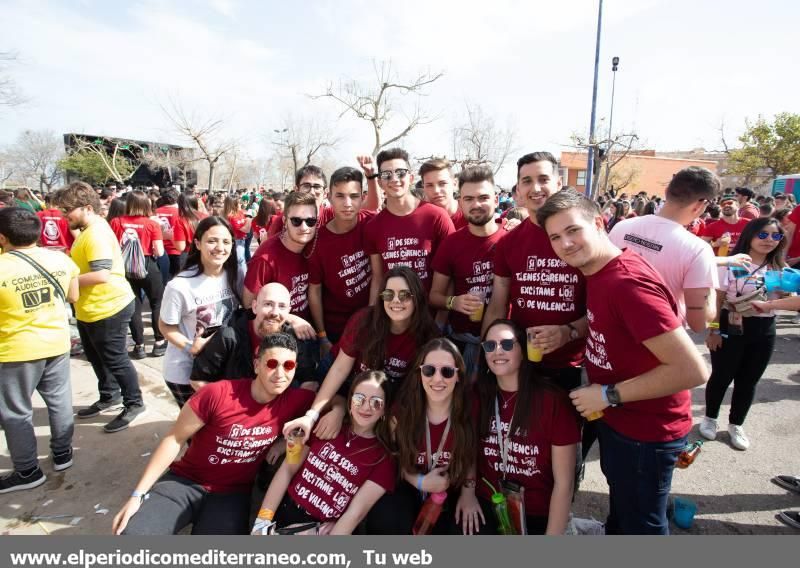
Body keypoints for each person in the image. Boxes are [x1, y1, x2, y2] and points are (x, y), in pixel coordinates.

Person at [538, 190, 709, 535]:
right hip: (624, 422)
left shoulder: (627, 283)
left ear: (599, 223)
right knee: (625, 510)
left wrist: (608, 395)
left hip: (647, 432)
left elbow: (693, 369)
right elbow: (613, 319)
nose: (566, 243)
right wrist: (570, 331)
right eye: (556, 237)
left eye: (573, 230)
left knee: (642, 526)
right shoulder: (602, 270)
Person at [111, 333, 315, 535]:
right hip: (185, 482)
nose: (280, 373)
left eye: (288, 365)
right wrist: (137, 495)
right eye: (272, 364)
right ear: (256, 365)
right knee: (134, 535)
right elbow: (174, 439)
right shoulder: (217, 394)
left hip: (232, 494)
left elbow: (335, 403)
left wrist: (283, 442)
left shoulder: (296, 401)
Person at [283, 266, 440, 444]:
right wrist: (313, 415)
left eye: (404, 295)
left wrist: (393, 416)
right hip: (343, 377)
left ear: (417, 298)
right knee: (315, 417)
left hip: (380, 392)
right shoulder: (365, 320)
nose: (396, 301)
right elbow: (340, 370)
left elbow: (412, 388)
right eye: (388, 294)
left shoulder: (427, 336)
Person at [482, 152, 587, 393]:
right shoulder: (509, 243)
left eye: (543, 179)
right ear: (518, 189)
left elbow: (603, 311)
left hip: (574, 367)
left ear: (559, 184)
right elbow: (497, 305)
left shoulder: (580, 238)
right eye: (527, 181)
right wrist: (485, 354)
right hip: (523, 363)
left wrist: (567, 332)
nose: (535, 188)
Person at [52, 182, 146, 434]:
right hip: (90, 308)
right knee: (96, 357)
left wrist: (63, 279)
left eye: (67, 210)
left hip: (109, 307)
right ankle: (109, 395)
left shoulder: (95, 234)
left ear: (86, 208)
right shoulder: (88, 230)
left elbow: (101, 274)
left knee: (116, 360)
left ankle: (134, 402)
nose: (64, 216)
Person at [253, 370, 396, 535]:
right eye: (359, 399)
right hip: (284, 510)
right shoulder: (324, 423)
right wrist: (261, 523)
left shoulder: (383, 459)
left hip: (322, 530)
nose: (366, 407)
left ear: (385, 409)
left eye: (376, 402)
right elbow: (287, 468)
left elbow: (355, 514)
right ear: (349, 401)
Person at [473, 319, 579, 535]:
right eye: (490, 346)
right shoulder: (477, 396)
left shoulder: (552, 401)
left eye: (508, 345)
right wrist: (466, 494)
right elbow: (466, 454)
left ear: (524, 350)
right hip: (489, 503)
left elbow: (564, 483)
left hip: (537, 512)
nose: (498, 351)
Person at [0, 208, 79, 493]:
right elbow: (73, 296)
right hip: (57, 342)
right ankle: (62, 454)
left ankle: (27, 470)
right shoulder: (59, 259)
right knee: (59, 401)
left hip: (15, 350)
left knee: (15, 413)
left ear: (2, 237)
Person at [699, 217, 788, 451]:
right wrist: (714, 329)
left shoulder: (781, 269)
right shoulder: (732, 263)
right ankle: (709, 418)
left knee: (748, 381)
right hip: (731, 325)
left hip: (765, 329)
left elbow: (789, 302)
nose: (769, 240)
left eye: (775, 236)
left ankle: (736, 424)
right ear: (750, 235)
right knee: (722, 375)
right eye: (763, 235)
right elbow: (717, 299)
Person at [377, 339, 479, 534]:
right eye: (429, 370)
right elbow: (390, 455)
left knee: (466, 529)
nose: (437, 379)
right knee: (388, 518)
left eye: (447, 371)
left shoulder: (469, 407)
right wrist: (418, 481)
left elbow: (471, 452)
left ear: (458, 376)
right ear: (419, 373)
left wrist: (468, 493)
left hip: (449, 492)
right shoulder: (403, 409)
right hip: (408, 486)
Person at [608, 166, 720, 333]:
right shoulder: (698, 250)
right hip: (661, 346)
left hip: (611, 335)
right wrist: (712, 291)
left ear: (667, 191)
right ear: (700, 204)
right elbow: (699, 322)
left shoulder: (621, 227)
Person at [430, 165, 505, 379]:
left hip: (504, 345)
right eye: (469, 199)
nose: (476, 205)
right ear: (460, 202)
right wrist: (454, 302)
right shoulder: (451, 244)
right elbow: (434, 296)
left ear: (496, 199)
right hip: (460, 342)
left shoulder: (511, 239)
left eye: (483, 197)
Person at [158, 216, 242, 407]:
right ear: (197, 243)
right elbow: (165, 326)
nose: (220, 247)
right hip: (185, 372)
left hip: (220, 367)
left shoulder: (235, 275)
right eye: (212, 241)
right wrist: (190, 347)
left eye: (226, 241)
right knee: (194, 431)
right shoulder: (180, 285)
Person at [244, 191, 319, 383]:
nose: (304, 227)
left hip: (306, 341)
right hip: (274, 347)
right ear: (285, 221)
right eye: (297, 221)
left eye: (311, 221)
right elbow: (248, 304)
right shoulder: (266, 257)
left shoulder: (312, 249)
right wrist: (290, 317)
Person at [364, 148, 455, 300]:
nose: (394, 179)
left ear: (411, 178)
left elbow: (451, 274)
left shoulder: (436, 217)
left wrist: (440, 320)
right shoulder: (373, 227)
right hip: (393, 312)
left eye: (400, 173)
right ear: (380, 182)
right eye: (387, 175)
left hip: (430, 314)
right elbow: (378, 279)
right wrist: (373, 315)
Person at [189, 282, 317, 390]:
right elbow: (198, 380)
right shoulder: (228, 337)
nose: (275, 312)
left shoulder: (293, 340)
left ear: (289, 311)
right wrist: (227, 407)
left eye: (282, 306)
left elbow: (310, 381)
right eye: (268, 304)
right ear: (255, 307)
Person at [307, 167, 376, 352]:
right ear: (329, 197)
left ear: (362, 197)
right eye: (340, 196)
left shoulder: (371, 223)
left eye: (354, 196)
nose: (347, 203)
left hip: (371, 323)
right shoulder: (316, 242)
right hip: (336, 330)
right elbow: (314, 291)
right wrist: (322, 337)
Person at [109, 190, 167, 359]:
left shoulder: (116, 222)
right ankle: (158, 342)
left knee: (134, 305)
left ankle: (139, 345)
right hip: (148, 266)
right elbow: (160, 251)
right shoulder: (151, 224)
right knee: (157, 303)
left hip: (124, 268)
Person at [419, 159, 468, 230]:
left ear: (455, 184)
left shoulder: (472, 215)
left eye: (442, 184)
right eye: (429, 185)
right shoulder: (418, 220)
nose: (436, 190)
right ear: (423, 187)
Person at [224, 196, 251, 273]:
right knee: (240, 262)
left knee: (241, 261)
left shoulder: (240, 212)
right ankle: (242, 281)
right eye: (238, 203)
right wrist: (249, 219)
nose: (240, 204)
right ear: (233, 204)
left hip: (241, 240)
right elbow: (247, 229)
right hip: (236, 242)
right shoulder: (231, 217)